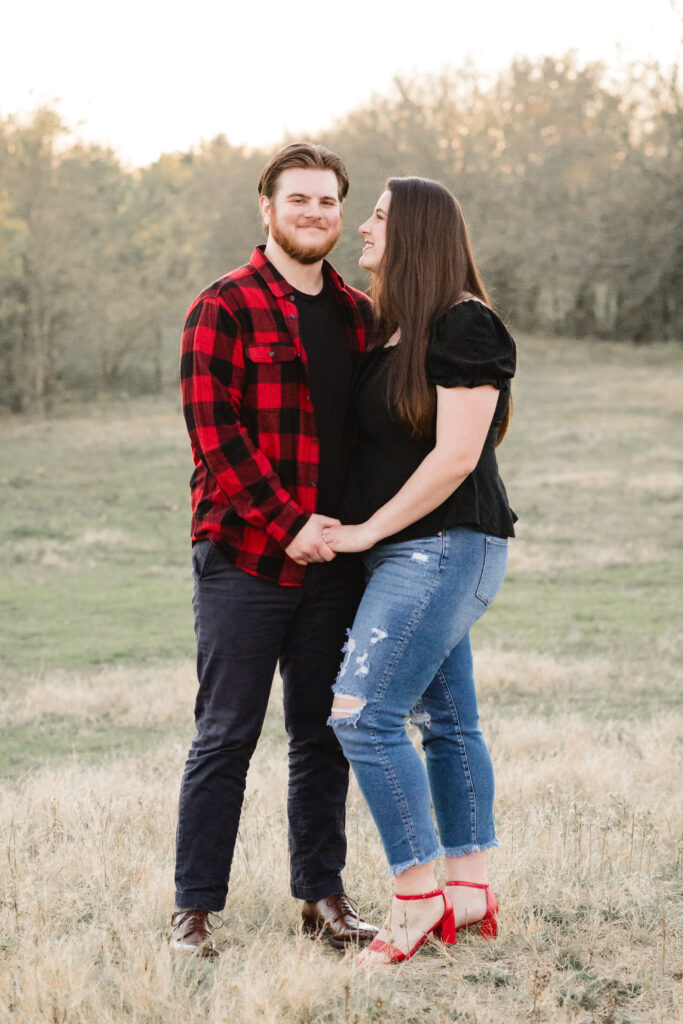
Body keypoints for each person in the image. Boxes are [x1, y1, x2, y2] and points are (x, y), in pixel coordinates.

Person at [171, 143, 378, 957]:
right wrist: (289, 523)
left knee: (323, 734)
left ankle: (321, 898)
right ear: (267, 208)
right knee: (225, 733)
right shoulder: (220, 306)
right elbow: (215, 438)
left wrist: (345, 534)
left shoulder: (360, 316)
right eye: (298, 200)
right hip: (244, 562)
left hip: (333, 565)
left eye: (328, 202)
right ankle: (193, 912)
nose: (315, 214)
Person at [324, 177, 516, 965]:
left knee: (361, 718)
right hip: (406, 554)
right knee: (447, 722)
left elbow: (457, 456)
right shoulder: (393, 330)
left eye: (375, 216)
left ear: (416, 234)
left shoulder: (463, 324)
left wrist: (366, 528)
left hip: (442, 548)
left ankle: (414, 900)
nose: (360, 227)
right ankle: (467, 892)